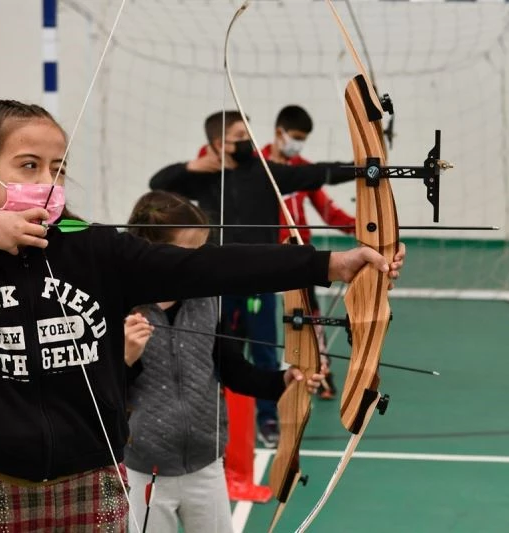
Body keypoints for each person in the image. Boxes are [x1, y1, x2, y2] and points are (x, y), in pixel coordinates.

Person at [0, 99, 405, 532]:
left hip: (97, 479)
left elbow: (208, 265)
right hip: (4, 484)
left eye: (58, 168)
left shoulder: (91, 248)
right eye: (29, 166)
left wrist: (329, 263)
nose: (48, 184)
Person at [122, 190, 325, 533]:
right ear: (151, 250)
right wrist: (125, 357)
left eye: (202, 251)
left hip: (206, 464)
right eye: (188, 253)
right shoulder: (120, 304)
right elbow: (98, 390)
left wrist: (281, 383)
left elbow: (229, 367)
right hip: (143, 469)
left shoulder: (206, 298)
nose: (198, 262)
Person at [150, 110, 353, 447]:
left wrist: (364, 170)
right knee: (218, 353)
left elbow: (313, 175)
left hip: (260, 281)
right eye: (240, 138)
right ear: (219, 144)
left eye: (248, 136)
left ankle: (268, 417)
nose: (248, 143)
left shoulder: (263, 172)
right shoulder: (203, 177)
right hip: (216, 283)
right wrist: (191, 167)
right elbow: (158, 185)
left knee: (265, 352)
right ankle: (218, 422)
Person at [263, 105, 357, 400]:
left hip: (298, 255)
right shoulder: (258, 164)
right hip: (263, 254)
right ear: (280, 133)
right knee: (252, 317)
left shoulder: (303, 169)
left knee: (308, 313)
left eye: (303, 138)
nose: (298, 143)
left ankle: (322, 372)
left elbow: (327, 210)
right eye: (296, 136)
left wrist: (361, 227)